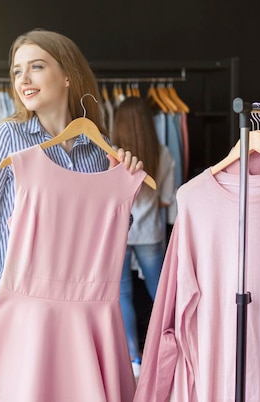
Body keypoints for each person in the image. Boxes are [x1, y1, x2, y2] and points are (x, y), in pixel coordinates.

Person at [0, 28, 145, 352]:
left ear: (67, 75)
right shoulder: (8, 137)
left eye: (36, 66)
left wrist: (121, 182)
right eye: (17, 70)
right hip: (17, 313)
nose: (23, 78)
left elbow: (110, 238)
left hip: (78, 316)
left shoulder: (100, 150)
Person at [109, 96, 176, 378]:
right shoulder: (162, 153)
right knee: (161, 293)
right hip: (149, 233)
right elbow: (165, 200)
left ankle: (133, 359)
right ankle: (171, 347)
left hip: (119, 233)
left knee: (121, 294)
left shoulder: (112, 156)